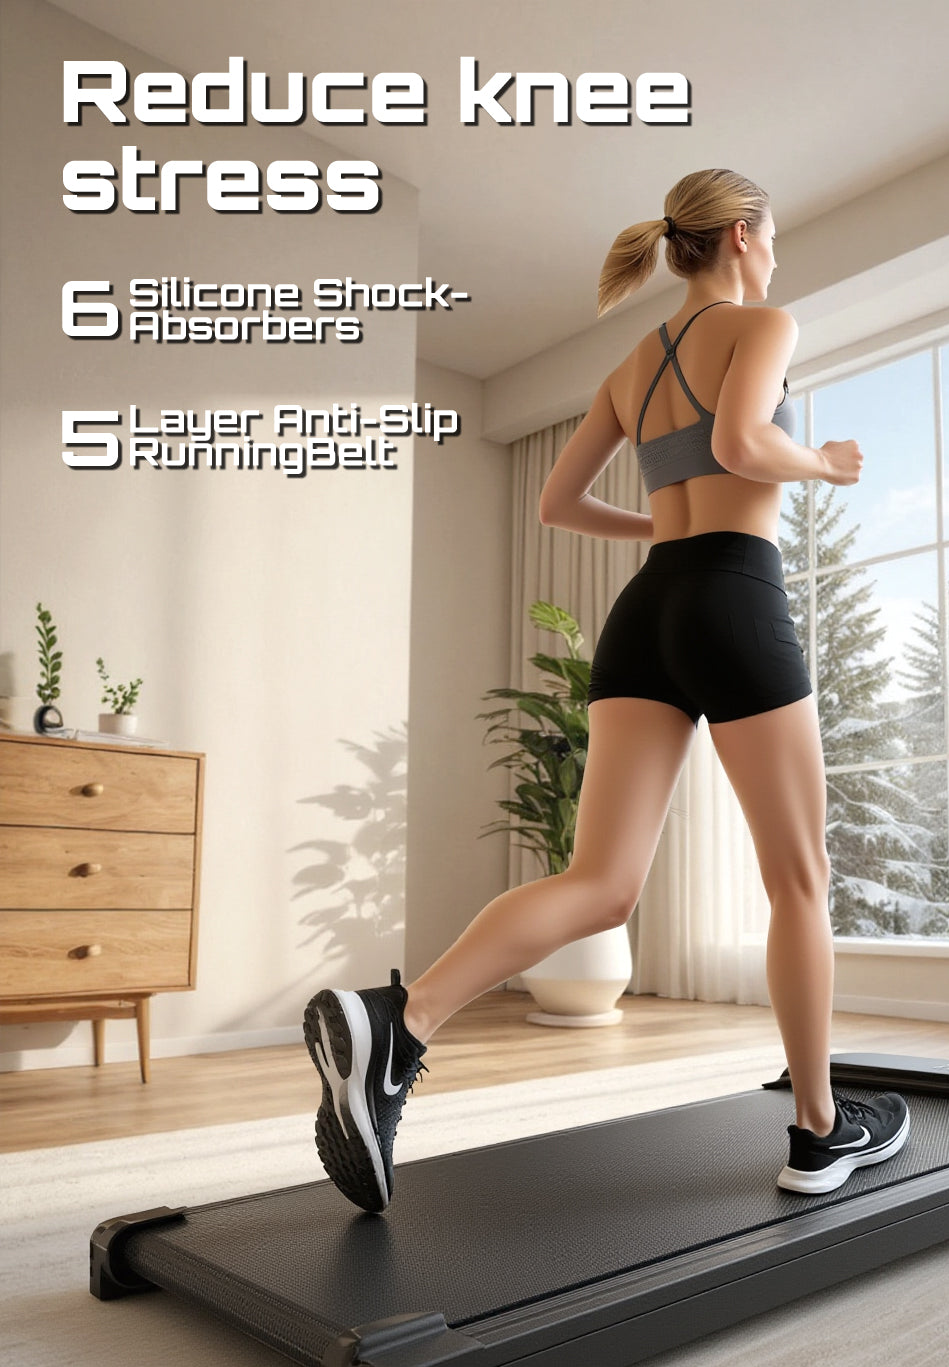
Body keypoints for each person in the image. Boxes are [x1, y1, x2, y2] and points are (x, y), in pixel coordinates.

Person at [303, 167, 910, 1214]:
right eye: (771, 237)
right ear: (741, 236)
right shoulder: (764, 324)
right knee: (800, 880)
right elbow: (737, 444)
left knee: (601, 879)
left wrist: (667, 536)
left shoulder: (636, 362)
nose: (775, 254)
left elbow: (559, 501)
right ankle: (818, 1132)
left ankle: (402, 1024)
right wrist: (822, 462)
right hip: (733, 597)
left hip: (650, 612)